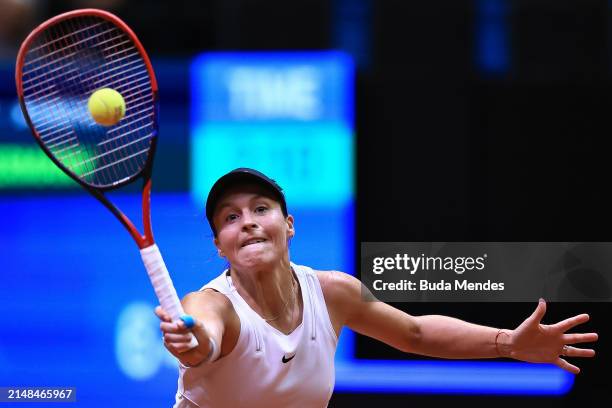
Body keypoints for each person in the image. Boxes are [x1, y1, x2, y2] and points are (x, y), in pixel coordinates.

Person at [155, 167, 598, 408]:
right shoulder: (212, 304)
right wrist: (191, 341)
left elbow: (414, 333)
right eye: (230, 218)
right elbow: (202, 340)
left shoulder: (333, 293)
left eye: (261, 208)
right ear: (219, 246)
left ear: (289, 226)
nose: (247, 221)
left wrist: (508, 343)